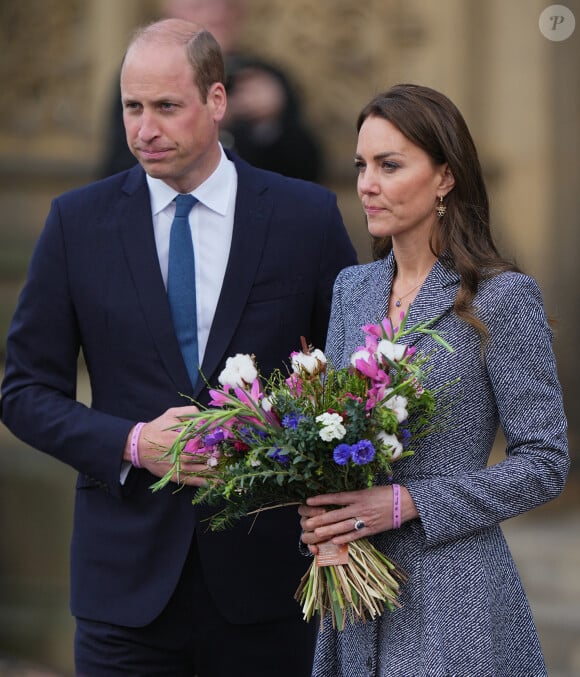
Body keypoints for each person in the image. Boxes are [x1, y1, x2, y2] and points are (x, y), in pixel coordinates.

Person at [0, 19, 356, 677]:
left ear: (216, 102)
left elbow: (353, 382)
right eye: (132, 107)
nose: (144, 128)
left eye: (166, 106)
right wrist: (134, 443)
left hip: (269, 582)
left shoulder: (306, 217)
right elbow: (23, 392)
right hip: (124, 590)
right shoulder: (76, 223)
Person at [298, 84, 569, 676]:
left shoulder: (502, 298)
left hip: (455, 597)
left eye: (390, 165)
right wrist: (322, 509)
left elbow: (546, 463)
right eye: (361, 165)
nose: (367, 183)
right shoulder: (353, 288)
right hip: (353, 595)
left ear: (444, 177)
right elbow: (336, 439)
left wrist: (408, 502)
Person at [100, 0, 324, 182]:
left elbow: (307, 172)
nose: (216, 15)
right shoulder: (142, 77)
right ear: (170, 12)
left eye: (226, 5)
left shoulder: (265, 79)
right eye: (199, 6)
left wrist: (270, 124)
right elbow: (118, 169)